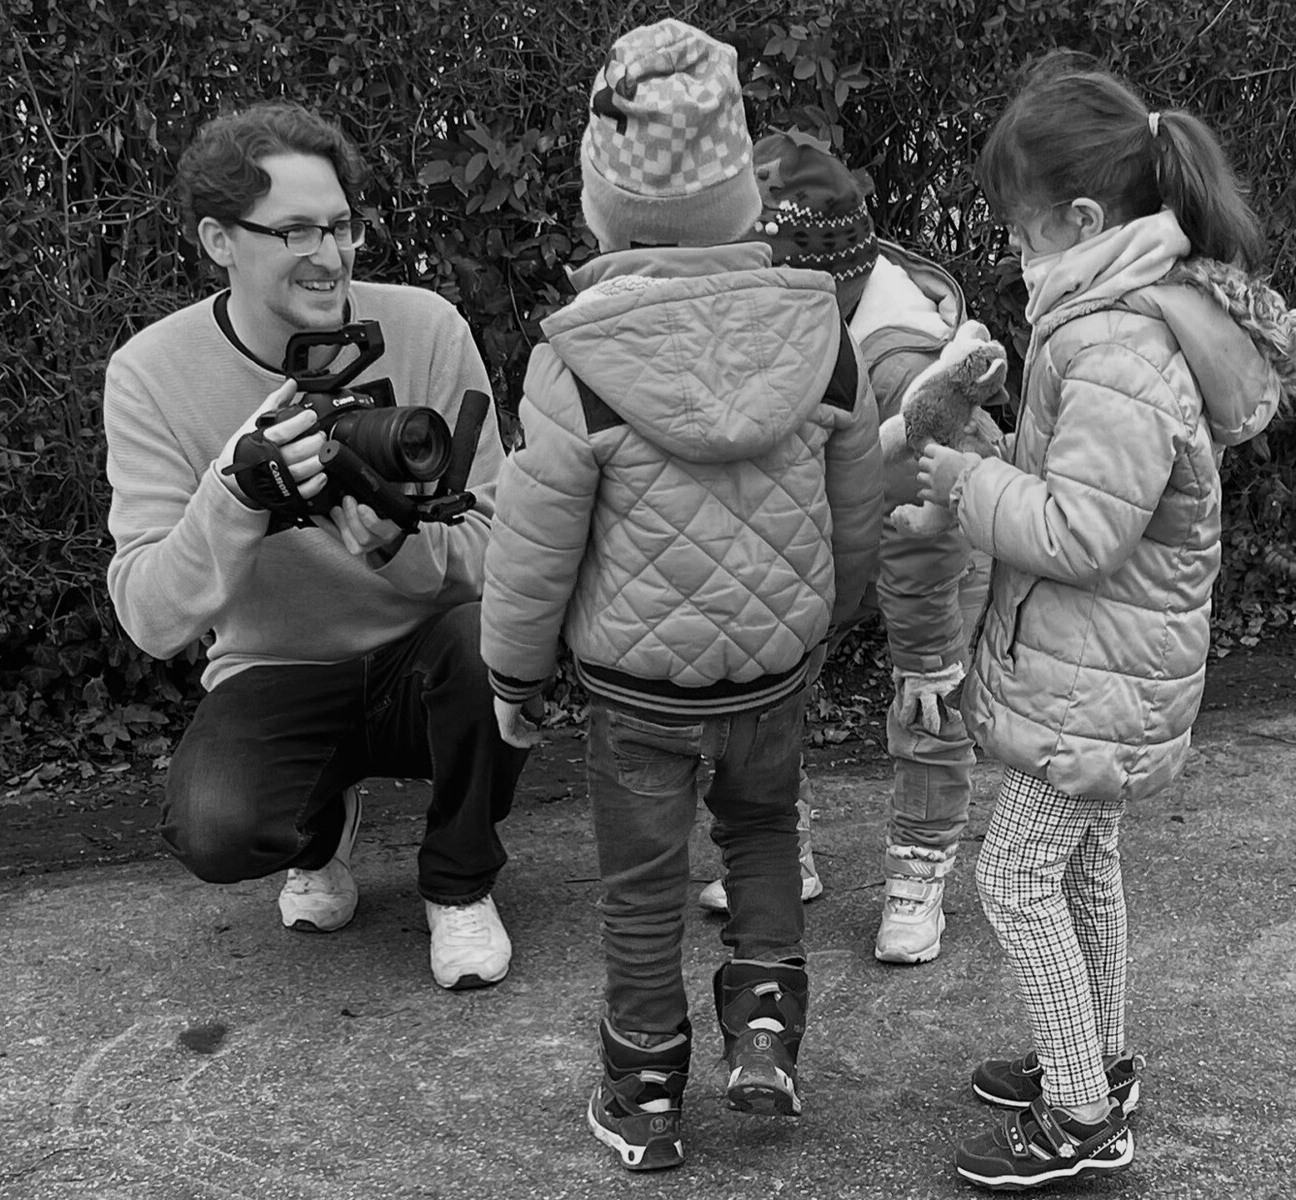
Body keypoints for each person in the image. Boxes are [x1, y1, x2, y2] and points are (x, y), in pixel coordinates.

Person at [480, 19, 883, 1171]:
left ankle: (647, 1094)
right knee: (761, 832)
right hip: (773, 671)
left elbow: (534, 540)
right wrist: (831, 611)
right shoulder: (821, 335)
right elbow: (854, 507)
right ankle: (765, 1032)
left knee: (642, 886)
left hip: (636, 687)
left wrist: (514, 677)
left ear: (602, 206)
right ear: (742, 195)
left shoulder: (579, 362)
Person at [913, 52, 1292, 1190]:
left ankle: (1080, 1113)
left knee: (1013, 880)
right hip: (1106, 668)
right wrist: (991, 434)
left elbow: (1082, 531)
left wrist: (961, 483)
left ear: (1082, 218)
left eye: (1021, 235)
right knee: (1083, 869)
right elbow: (1087, 492)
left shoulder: (1114, 342)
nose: (1017, 257)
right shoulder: (1117, 319)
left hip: (1098, 676)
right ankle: (1098, 1061)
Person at [102, 101, 529, 992]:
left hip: (428, 660)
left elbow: (509, 549)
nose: (329, 256)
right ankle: (322, 827)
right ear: (220, 239)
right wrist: (232, 493)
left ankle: (458, 882)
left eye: (340, 226)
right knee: (216, 829)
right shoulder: (151, 372)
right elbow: (148, 615)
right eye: (295, 230)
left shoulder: (424, 328)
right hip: (276, 667)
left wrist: (397, 548)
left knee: (503, 638)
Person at [697, 129, 1002, 965]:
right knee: (770, 670)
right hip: (827, 518)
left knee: (928, 693)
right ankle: (777, 845)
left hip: (929, 530)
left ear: (833, 281)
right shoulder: (785, 318)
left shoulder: (908, 365)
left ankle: (920, 868)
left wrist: (931, 650)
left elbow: (935, 534)